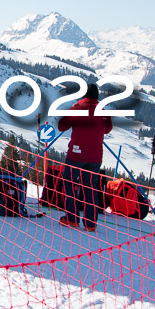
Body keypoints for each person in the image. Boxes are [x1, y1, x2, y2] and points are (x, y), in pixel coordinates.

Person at [57, 83, 112, 232]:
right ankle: (90, 223)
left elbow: (62, 126)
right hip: (95, 156)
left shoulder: (77, 109)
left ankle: (72, 218)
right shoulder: (103, 111)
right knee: (90, 187)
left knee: (69, 183)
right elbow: (108, 129)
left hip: (76, 154)